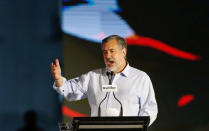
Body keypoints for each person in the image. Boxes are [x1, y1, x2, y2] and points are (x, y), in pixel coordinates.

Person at [51, 35, 158, 125]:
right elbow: (70, 91)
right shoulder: (93, 77)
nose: (108, 56)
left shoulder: (140, 78)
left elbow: (150, 110)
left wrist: (136, 127)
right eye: (105, 52)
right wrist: (59, 78)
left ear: (124, 52)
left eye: (112, 51)